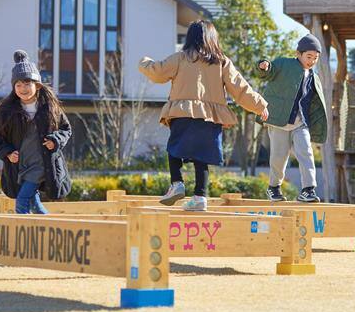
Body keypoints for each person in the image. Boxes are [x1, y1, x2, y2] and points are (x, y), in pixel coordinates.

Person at [140, 20, 268, 211]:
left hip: (183, 113)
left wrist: (144, 62)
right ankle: (200, 197)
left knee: (174, 149)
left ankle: (177, 183)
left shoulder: (181, 58)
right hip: (210, 117)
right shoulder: (221, 62)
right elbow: (240, 88)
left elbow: (158, 72)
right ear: (213, 38)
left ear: (190, 38)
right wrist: (259, 105)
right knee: (202, 157)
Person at [0, 50, 72, 213]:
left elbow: (66, 129)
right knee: (34, 204)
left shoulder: (50, 108)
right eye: (18, 85)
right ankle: (48, 225)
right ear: (14, 87)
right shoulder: (6, 111)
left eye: (27, 84)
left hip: (42, 163)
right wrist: (7, 152)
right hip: (20, 164)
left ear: (37, 85)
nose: (23, 89)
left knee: (22, 201)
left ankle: (22, 228)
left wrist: (55, 140)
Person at [257, 34, 327, 202]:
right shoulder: (284, 64)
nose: (312, 61)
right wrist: (263, 66)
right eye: (309, 56)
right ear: (298, 53)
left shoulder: (314, 77)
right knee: (279, 157)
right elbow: (269, 72)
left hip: (300, 122)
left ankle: (308, 189)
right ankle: (274, 187)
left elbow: (315, 104)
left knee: (306, 152)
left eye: (315, 58)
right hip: (279, 121)